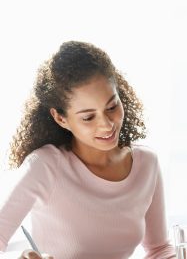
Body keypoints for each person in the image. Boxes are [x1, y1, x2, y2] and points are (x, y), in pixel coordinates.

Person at [0, 41, 176, 259]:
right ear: (61, 118)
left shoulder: (146, 164)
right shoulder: (45, 166)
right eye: (88, 117)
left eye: (112, 107)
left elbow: (159, 249)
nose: (107, 125)